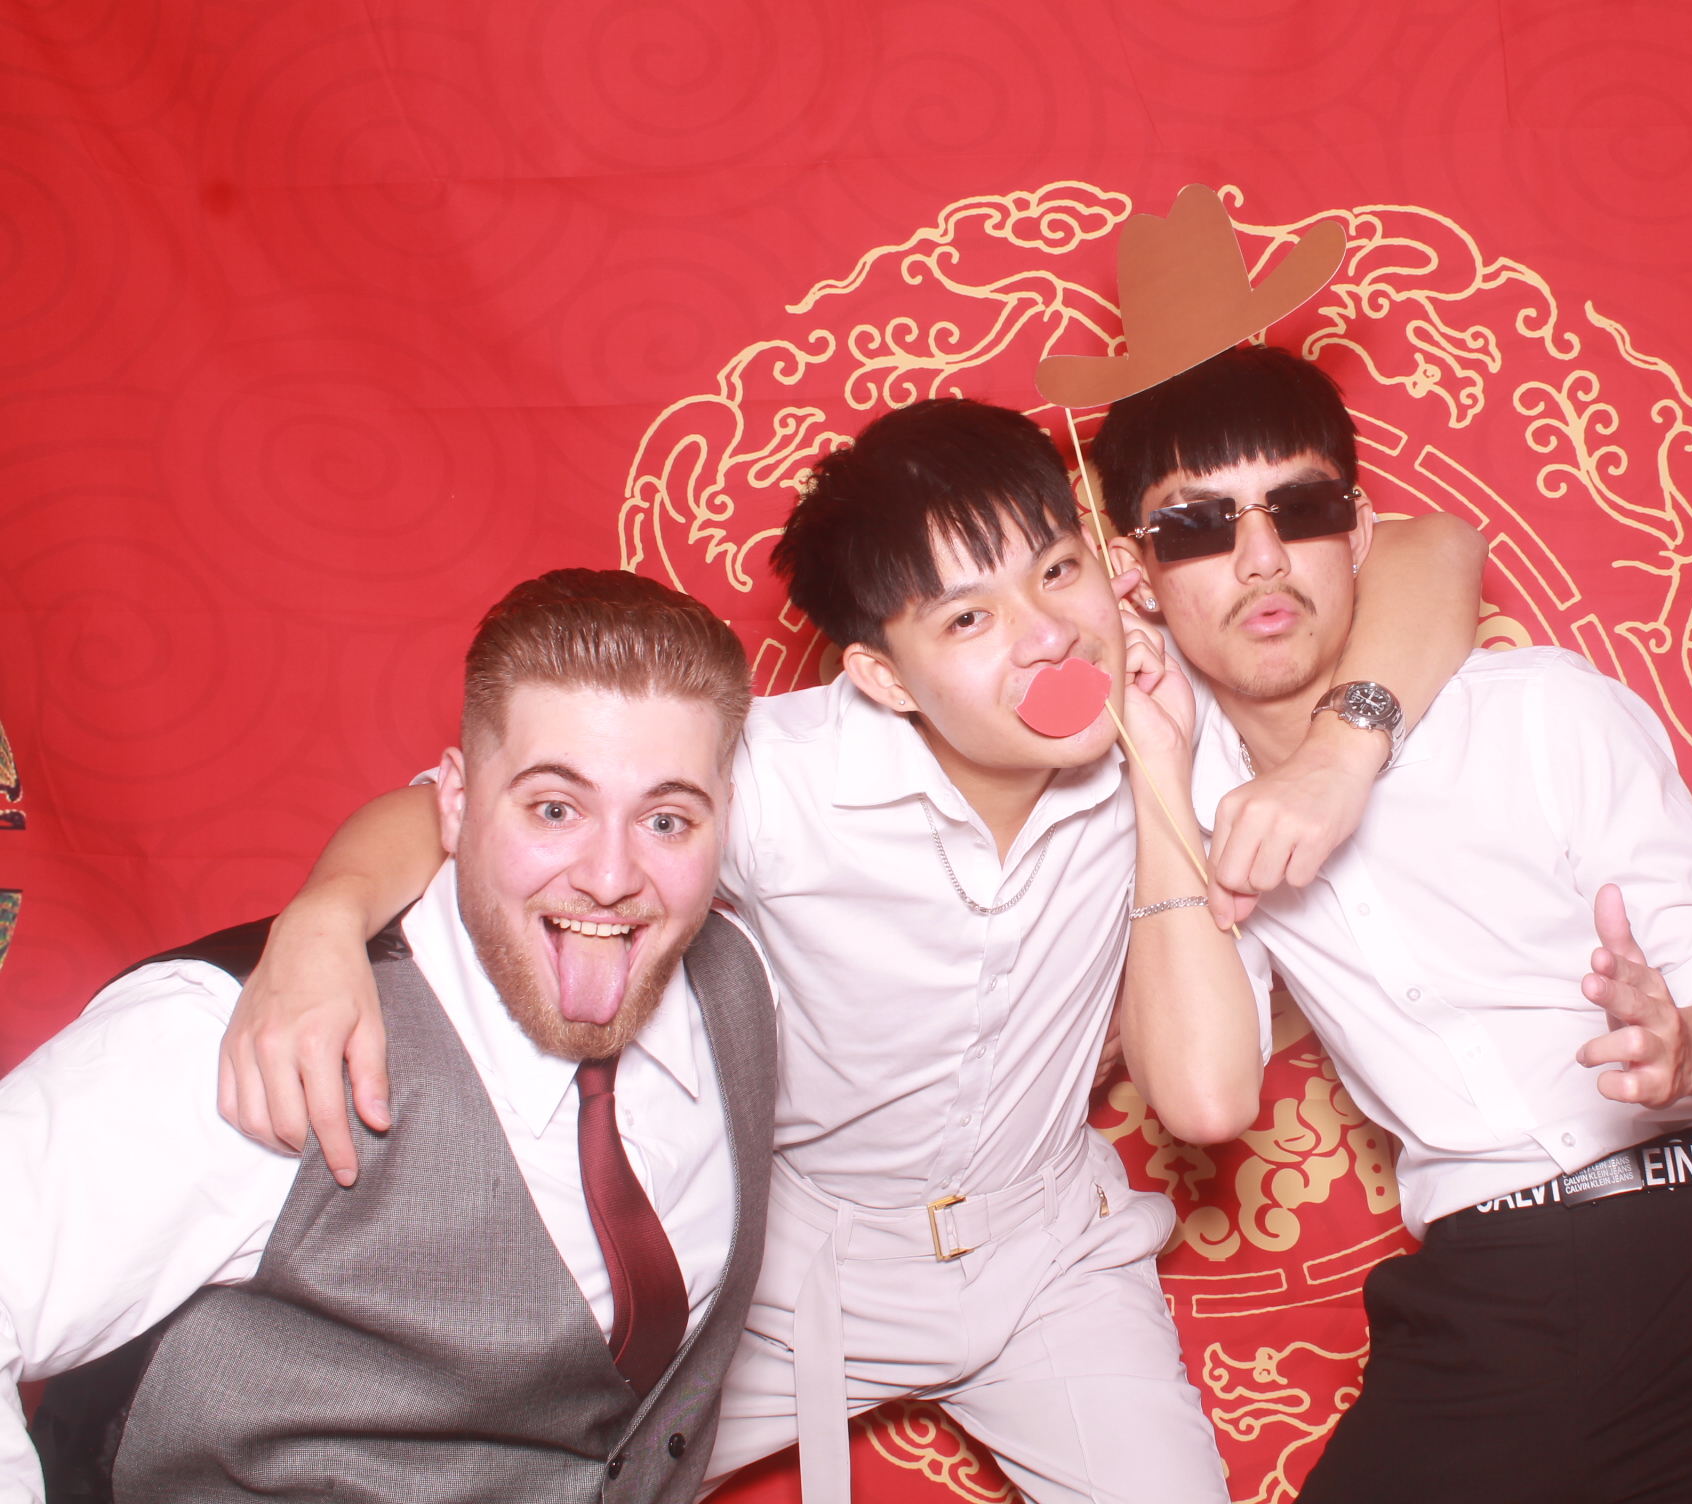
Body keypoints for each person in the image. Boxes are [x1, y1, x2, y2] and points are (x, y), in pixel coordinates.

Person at [214, 397, 1485, 1503]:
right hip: (794, 1264)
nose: (1048, 635)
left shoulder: (1164, 702)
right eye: (969, 618)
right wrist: (321, 921)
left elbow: (1435, 551)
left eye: (1056, 571)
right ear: (882, 675)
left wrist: (1206, 774)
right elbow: (460, 812)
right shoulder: (776, 776)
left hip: (1050, 1259)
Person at [1093, 345, 1692, 1503]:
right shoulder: (1192, 798)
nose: (1262, 557)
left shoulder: (1539, 712)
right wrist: (1153, 766)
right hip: (1489, 1299)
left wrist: (1691, 1049)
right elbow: (1201, 1099)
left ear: (1358, 530)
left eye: (1302, 508)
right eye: (1198, 526)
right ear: (1135, 571)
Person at [1, 570, 779, 1503]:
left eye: (665, 820)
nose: (610, 877)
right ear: (452, 801)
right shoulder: (239, 1040)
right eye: (553, 809)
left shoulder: (738, 986)